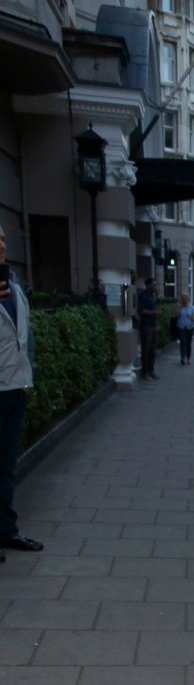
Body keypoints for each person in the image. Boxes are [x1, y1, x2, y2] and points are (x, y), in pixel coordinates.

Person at [0, 225, 43, 561]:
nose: (0, 245)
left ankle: (7, 530)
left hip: (16, 388)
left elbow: (26, 338)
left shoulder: (14, 286)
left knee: (6, 466)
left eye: (2, 238)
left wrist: (29, 378)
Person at [138, 277, 159, 381]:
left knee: (152, 350)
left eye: (156, 285)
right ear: (148, 285)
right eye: (153, 285)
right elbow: (141, 311)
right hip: (146, 325)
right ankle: (145, 372)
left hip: (152, 325)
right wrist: (155, 312)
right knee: (146, 349)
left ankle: (151, 371)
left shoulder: (152, 296)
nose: (155, 287)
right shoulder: (143, 296)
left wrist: (156, 323)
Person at [175, 292, 194, 366]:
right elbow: (176, 316)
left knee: (188, 343)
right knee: (183, 342)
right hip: (181, 327)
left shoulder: (192, 307)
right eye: (183, 299)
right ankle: (183, 358)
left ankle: (188, 358)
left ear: (188, 299)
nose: (184, 300)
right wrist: (179, 309)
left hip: (190, 327)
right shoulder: (179, 306)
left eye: (186, 299)